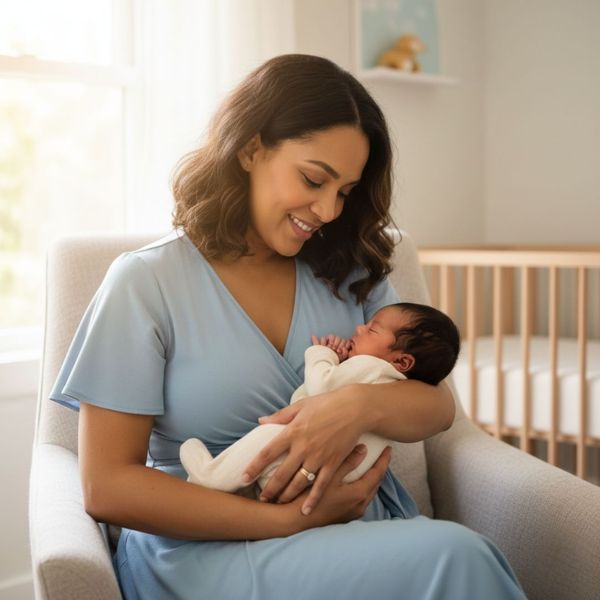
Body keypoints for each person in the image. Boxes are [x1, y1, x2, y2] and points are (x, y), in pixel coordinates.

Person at [50, 54, 525, 599]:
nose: (327, 209)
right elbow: (106, 486)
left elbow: (438, 408)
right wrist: (291, 520)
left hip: (358, 531)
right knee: (458, 556)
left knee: (455, 554)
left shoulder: (350, 274)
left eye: (345, 191)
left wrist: (356, 407)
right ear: (251, 148)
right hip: (208, 546)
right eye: (314, 179)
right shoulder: (145, 283)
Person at [180, 302, 461, 494]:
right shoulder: (392, 382)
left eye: (372, 329)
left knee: (268, 436)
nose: (359, 329)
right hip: (341, 477)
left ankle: (210, 475)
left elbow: (321, 387)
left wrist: (321, 355)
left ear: (402, 362)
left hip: (305, 460)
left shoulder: (371, 368)